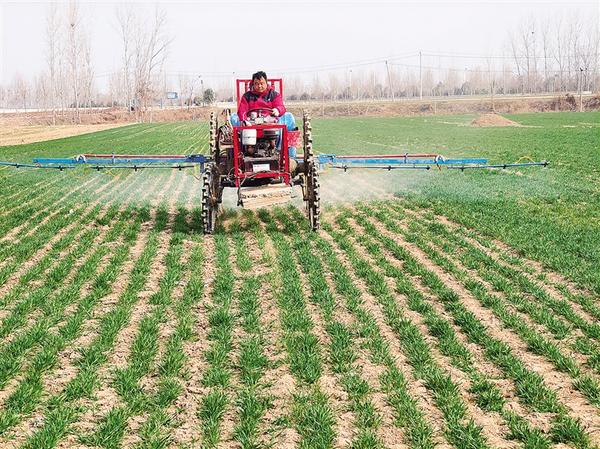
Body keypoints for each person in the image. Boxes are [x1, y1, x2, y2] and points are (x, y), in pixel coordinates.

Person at [230, 71, 296, 132]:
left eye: (262, 83)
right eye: (257, 84)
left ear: (266, 83)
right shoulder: (247, 96)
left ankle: (279, 141)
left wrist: (277, 110)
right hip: (251, 124)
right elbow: (242, 110)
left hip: (270, 122)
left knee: (286, 119)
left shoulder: (274, 95)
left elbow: (281, 106)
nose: (259, 86)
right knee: (235, 118)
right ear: (253, 84)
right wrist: (244, 120)